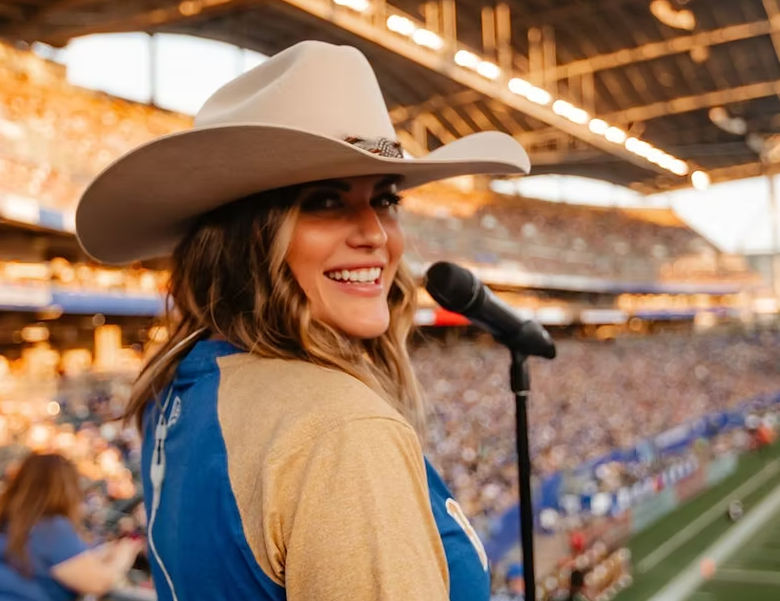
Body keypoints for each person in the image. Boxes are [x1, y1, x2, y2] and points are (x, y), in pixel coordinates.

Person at [75, 40, 530, 601]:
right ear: (247, 240)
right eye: (324, 201)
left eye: (386, 199)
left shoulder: (179, 385)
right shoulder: (338, 429)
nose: (375, 235)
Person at [0, 453, 141, 600]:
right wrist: (124, 555)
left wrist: (103, 553)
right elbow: (96, 583)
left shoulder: (9, 519)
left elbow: (58, 562)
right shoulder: (50, 527)